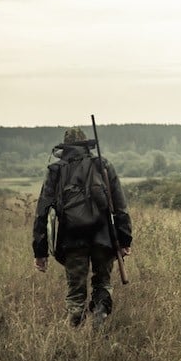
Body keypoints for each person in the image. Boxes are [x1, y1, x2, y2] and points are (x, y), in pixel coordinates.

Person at [32, 127, 133, 328]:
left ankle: (76, 327)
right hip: (104, 237)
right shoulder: (103, 165)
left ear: (66, 147)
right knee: (102, 283)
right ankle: (100, 314)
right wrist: (125, 240)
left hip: (72, 239)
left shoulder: (56, 170)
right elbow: (120, 206)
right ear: (86, 145)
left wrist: (40, 252)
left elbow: (42, 212)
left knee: (76, 292)